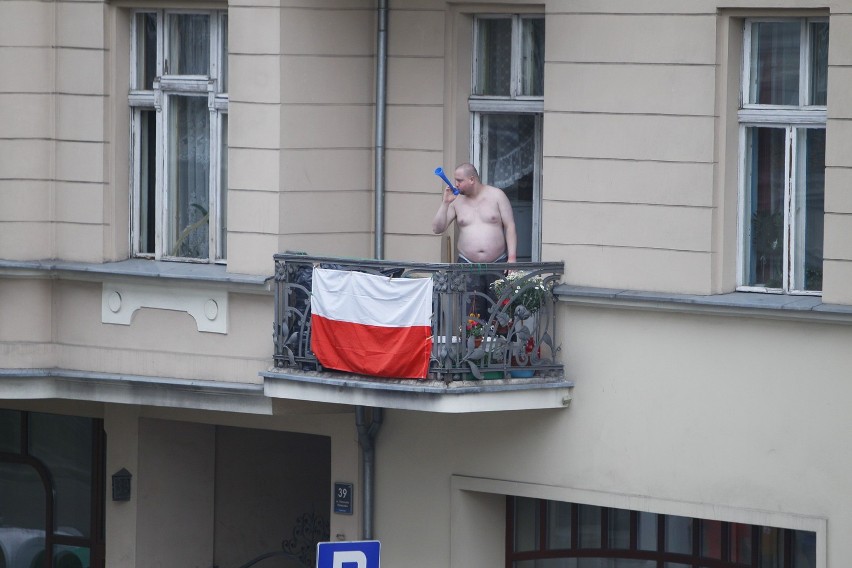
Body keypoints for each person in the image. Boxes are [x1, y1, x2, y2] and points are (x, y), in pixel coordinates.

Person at [432, 163, 517, 315]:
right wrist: (445, 203)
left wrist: (512, 258)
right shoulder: (456, 201)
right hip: (467, 264)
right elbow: (437, 228)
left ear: (472, 179)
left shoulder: (496, 195)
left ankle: (500, 340)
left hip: (498, 263)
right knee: (470, 318)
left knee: (501, 317)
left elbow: (510, 226)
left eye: (459, 180)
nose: (455, 184)